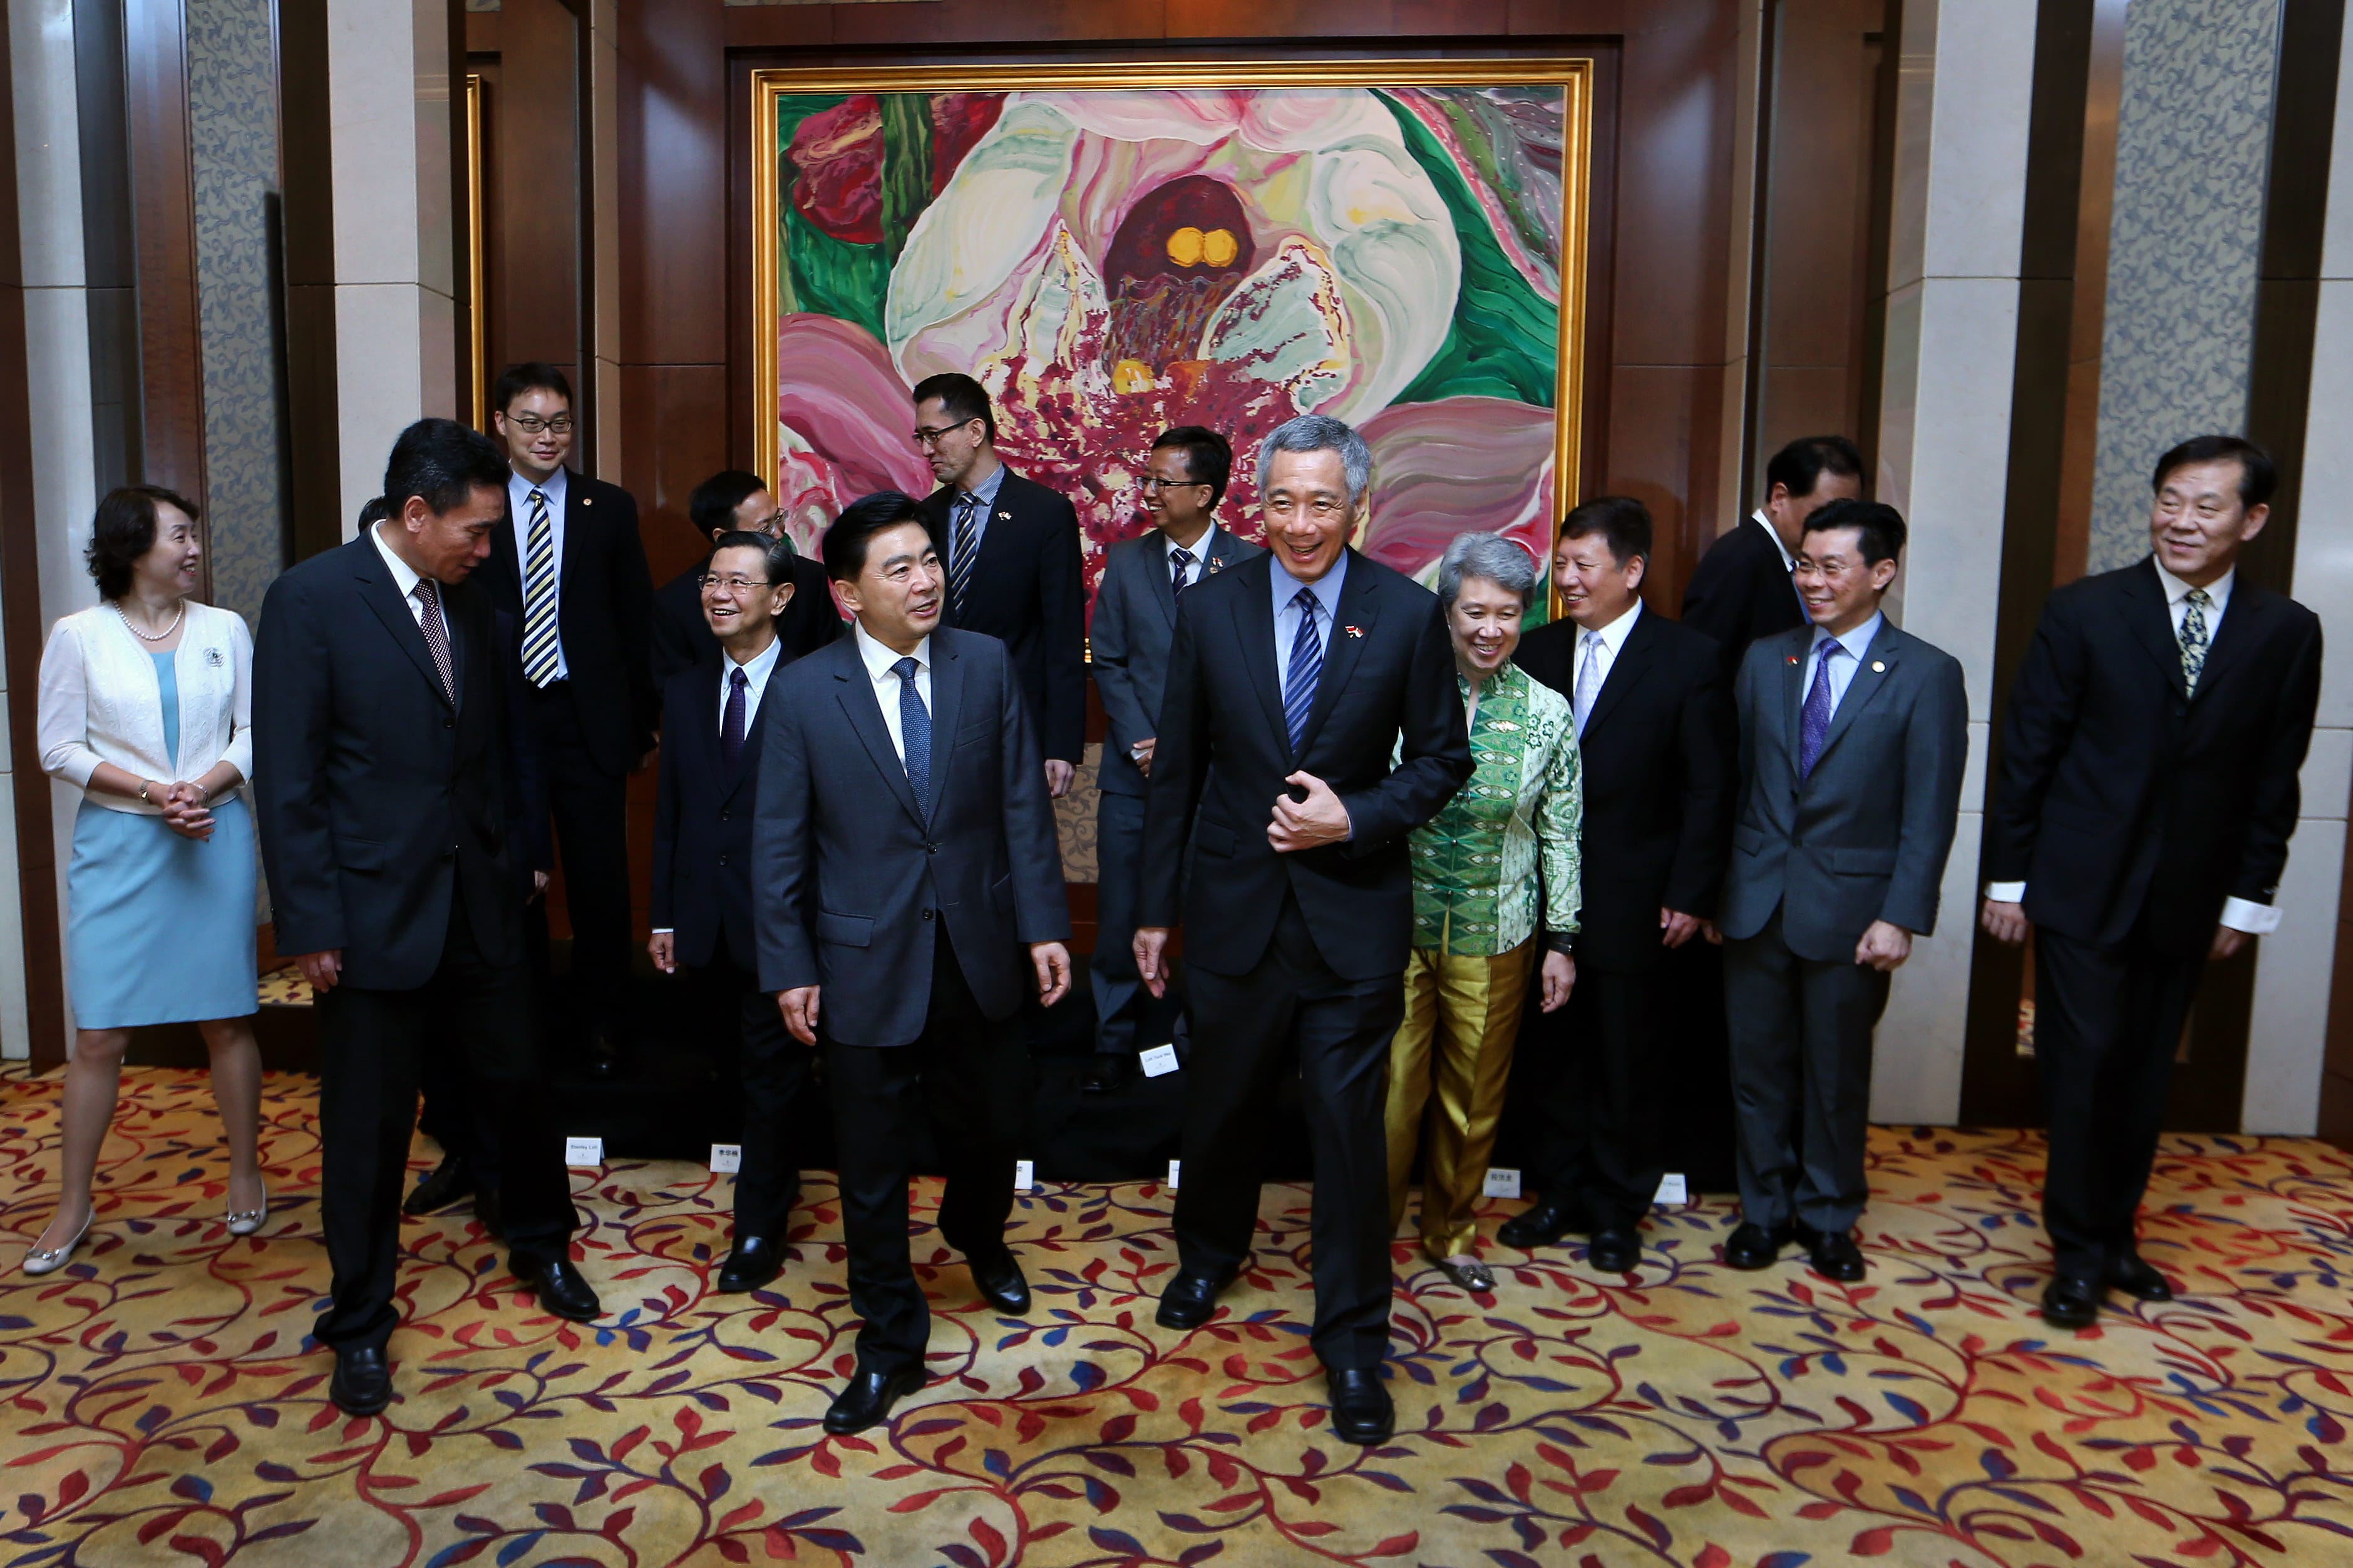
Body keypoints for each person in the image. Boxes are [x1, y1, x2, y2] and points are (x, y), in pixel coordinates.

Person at [1134, 414, 1472, 1447]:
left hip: (1350, 920)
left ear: (1355, 504)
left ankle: (1354, 1340)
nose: (1299, 522)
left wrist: (1352, 818)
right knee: (1221, 1104)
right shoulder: (1213, 608)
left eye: (1321, 501)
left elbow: (1442, 761)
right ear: (1258, 504)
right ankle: (1206, 1254)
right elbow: (1179, 770)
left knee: (1347, 1138)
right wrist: (1151, 909)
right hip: (1234, 911)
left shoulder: (1408, 615)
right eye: (1280, 500)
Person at [255, 418, 600, 1418]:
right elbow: (290, 778)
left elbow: (497, 750)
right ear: (416, 513)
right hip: (366, 919)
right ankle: (359, 1319)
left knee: (520, 1088)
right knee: (364, 1131)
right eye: (476, 531)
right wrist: (311, 922)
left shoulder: (480, 610)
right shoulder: (311, 601)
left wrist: (516, 857)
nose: (487, 551)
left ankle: (542, 1245)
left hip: (481, 904)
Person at [1980, 436, 2321, 1330]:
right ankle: (2077, 1253)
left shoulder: (2284, 631)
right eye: (2169, 498)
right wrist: (2007, 882)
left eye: (2205, 506)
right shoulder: (2084, 611)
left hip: (2188, 894)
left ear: (2251, 520)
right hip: (2078, 885)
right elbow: (2027, 756)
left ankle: (2117, 1237)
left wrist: (2246, 899)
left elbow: (2273, 777)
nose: (2180, 520)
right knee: (2083, 1067)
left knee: (2140, 1076)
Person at [753, 490, 1073, 1435]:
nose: (925, 579)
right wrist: (789, 966)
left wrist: (1045, 925)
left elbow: (1022, 803)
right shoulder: (806, 691)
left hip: (977, 948)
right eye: (898, 567)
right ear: (848, 594)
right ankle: (889, 1337)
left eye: (929, 559)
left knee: (990, 1130)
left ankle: (978, 1235)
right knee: (870, 1165)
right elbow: (779, 844)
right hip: (860, 959)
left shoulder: (985, 663)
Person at [1715, 500, 1965, 1283]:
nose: (1811, 581)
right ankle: (1763, 1212)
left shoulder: (1927, 674)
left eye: (1830, 567)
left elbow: (1928, 810)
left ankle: (1827, 1215)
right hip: (1756, 903)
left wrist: (1901, 915)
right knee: (1756, 1073)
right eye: (1803, 564)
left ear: (1880, 573)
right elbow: (1741, 785)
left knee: (1834, 1076)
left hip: (1853, 912)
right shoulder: (1765, 658)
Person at [26, 488, 265, 1274]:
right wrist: (154, 792)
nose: (194, 549)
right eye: (178, 536)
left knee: (225, 1019)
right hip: (121, 846)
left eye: (195, 533)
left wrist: (203, 785)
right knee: (99, 1034)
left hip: (214, 834)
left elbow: (254, 731)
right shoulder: (78, 637)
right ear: (132, 549)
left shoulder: (225, 630)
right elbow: (57, 748)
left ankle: (244, 1170)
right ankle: (72, 1202)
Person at [1502, 497, 1735, 1271]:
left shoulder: (1689, 659)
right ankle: (1559, 1190)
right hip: (1544, 897)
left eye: (1582, 566)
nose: (1565, 579)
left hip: (1642, 895)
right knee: (1554, 1051)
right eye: (1560, 564)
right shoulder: (1533, 653)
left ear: (1631, 571)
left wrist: (1692, 891)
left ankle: (1616, 1206)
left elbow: (1709, 789)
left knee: (1630, 1056)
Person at [1381, 531, 1579, 1294]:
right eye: (1473, 613)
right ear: (1446, 613)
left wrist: (1562, 936)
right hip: (1395, 925)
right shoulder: (1396, 690)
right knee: (1389, 1094)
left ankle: (1452, 1229)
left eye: (1506, 614)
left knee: (1472, 1101)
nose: (1489, 629)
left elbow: (1563, 830)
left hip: (1497, 932)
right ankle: (1372, 1224)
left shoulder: (1546, 713)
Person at [475, 362, 656, 1078]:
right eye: (531, 422)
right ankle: (522, 1026)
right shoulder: (480, 504)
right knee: (512, 875)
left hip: (589, 722)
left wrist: (643, 722)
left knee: (599, 882)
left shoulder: (606, 507)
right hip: (505, 722)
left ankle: (602, 1025)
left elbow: (633, 617)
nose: (547, 437)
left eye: (560, 423)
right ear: (500, 425)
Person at [651, 530, 814, 1295]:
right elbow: (672, 814)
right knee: (732, 1068)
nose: (718, 594)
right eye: (711, 580)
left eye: (738, 583)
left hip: (781, 922)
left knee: (773, 1080)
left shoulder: (815, 689)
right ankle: (760, 1188)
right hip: (703, 919)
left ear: (779, 598)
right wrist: (662, 916)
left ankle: (759, 1227)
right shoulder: (684, 690)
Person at [1084, 426, 1262, 1091]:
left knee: (1211, 916)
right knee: (1120, 915)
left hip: (1217, 779)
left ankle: (1193, 1040)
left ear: (1206, 494)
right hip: (1135, 777)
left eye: (1164, 482)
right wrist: (1139, 740)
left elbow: (1250, 677)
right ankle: (1110, 1040)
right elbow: (1110, 658)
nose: (1149, 492)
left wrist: (1192, 746)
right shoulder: (1126, 563)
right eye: (1148, 478)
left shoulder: (1249, 566)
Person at [910, 372, 1086, 797]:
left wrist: (1061, 744)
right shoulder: (924, 516)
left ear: (975, 431)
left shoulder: (1045, 513)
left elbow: (1062, 634)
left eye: (934, 435)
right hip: (935, 720)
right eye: (920, 437)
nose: (926, 450)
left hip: (1015, 718)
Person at [1681, 435, 1864, 684]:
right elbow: (1698, 669)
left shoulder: (1792, 560)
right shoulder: (1737, 559)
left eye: (1846, 515)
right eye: (1824, 512)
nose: (1835, 527)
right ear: (1779, 498)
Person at [651, 469, 841, 695]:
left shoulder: (809, 577)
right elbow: (673, 694)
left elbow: (834, 658)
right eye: (764, 528)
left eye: (778, 519)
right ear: (722, 537)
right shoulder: (675, 604)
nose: (779, 534)